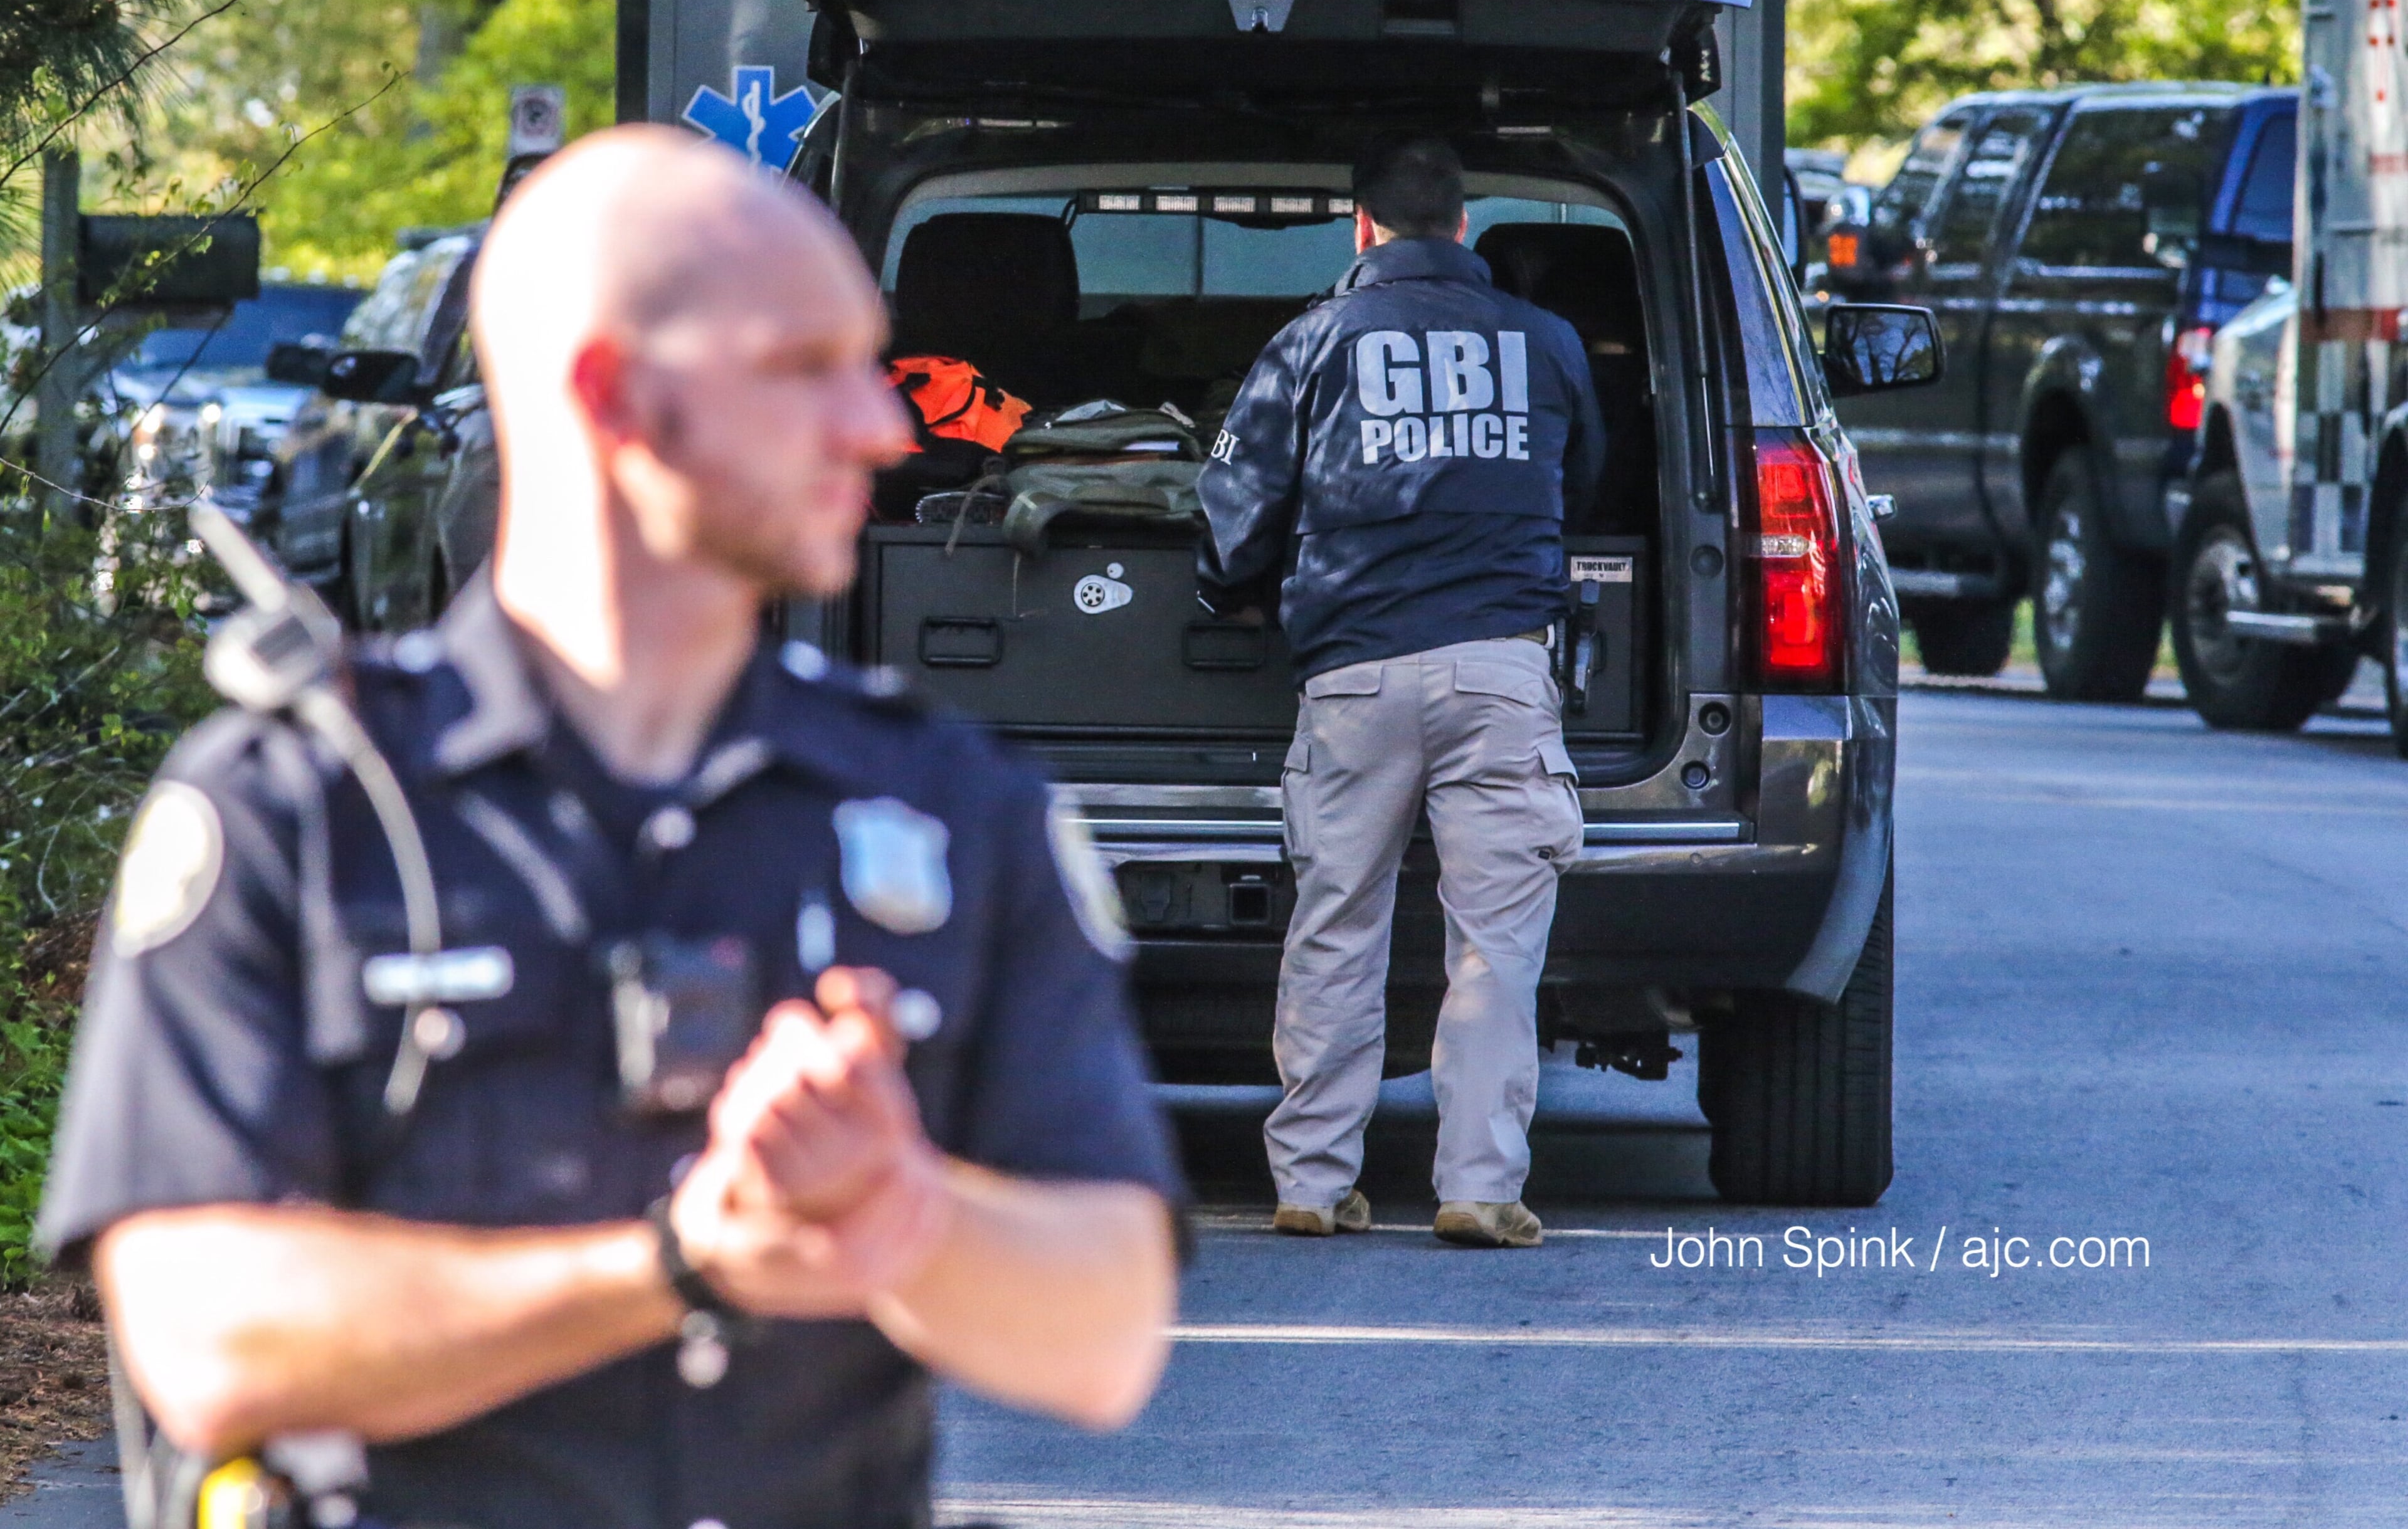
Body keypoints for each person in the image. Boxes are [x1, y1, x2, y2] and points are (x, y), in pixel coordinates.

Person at [38, 126, 1184, 1528]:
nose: (882, 427)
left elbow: (1109, 1330)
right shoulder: (294, 807)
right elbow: (207, 1336)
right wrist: (677, 1264)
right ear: (616, 397)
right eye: (805, 367)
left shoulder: (953, 808)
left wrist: (908, 1213)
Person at [1197, 134, 1604, 1250]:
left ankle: (1314, 1185)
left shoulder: (1310, 341)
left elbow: (1237, 511)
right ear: (1463, 228)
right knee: (1494, 940)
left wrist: (1233, 593)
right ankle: (1477, 1187)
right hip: (1502, 669)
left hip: (1355, 672)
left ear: (1361, 229)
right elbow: (1587, 481)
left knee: (1336, 924)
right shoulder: (1548, 341)